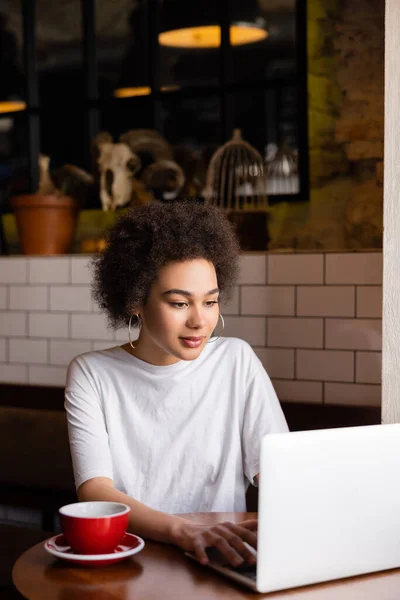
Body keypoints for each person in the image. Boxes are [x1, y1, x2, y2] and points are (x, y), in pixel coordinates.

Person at [65, 200, 289, 567]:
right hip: (135, 558)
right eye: (180, 303)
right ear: (136, 300)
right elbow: (95, 490)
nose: (201, 321)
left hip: (221, 556)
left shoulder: (236, 360)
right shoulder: (92, 374)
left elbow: (278, 471)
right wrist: (182, 531)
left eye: (211, 301)